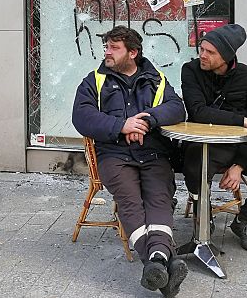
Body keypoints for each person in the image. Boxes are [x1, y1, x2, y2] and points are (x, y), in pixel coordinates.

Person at [72, 26, 188, 297]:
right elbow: (82, 117)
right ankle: (160, 262)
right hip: (114, 156)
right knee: (130, 201)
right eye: (106, 47)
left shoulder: (155, 80)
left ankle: (155, 264)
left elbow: (176, 107)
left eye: (114, 48)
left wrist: (147, 120)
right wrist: (122, 125)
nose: (107, 53)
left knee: (159, 198)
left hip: (153, 154)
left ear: (132, 53)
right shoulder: (94, 81)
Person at [180, 23, 247, 252]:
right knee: (195, 167)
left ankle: (243, 222)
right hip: (204, 144)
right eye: (202, 49)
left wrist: (239, 165)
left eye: (211, 52)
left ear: (227, 56)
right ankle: (204, 219)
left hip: (242, 148)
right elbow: (198, 112)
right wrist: (242, 121)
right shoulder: (191, 71)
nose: (203, 55)